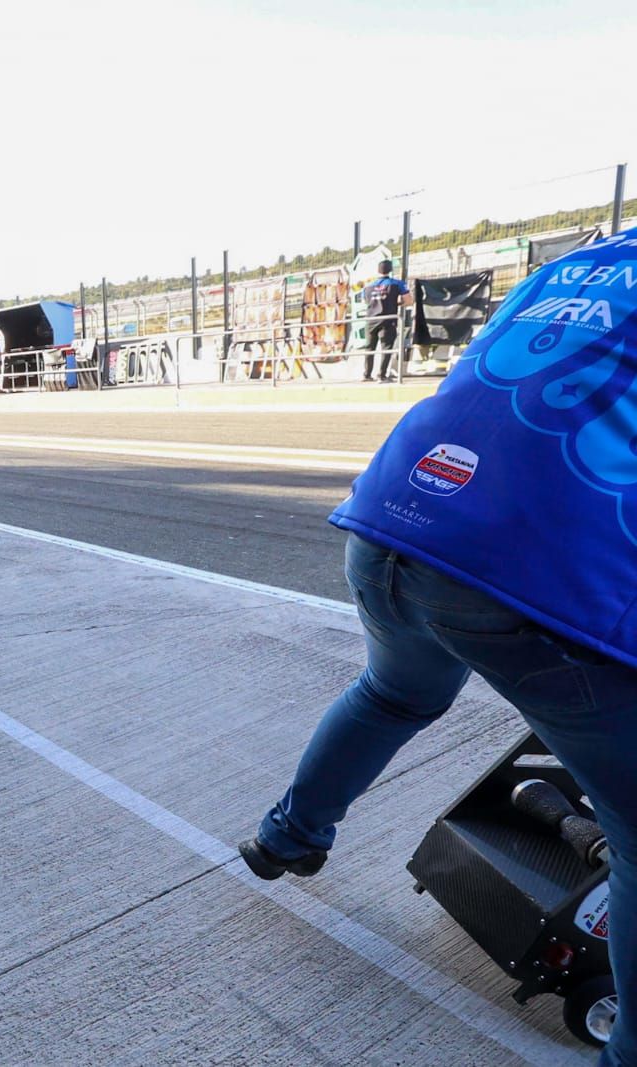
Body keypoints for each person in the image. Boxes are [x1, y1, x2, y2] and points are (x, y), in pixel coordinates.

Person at [238, 229, 637, 1067]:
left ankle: (289, 836)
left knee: (393, 694)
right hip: (520, 565)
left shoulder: (584, 261)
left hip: (397, 516)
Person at [362, 259, 411, 381]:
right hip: (387, 319)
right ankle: (382, 376)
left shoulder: (367, 286)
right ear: (390, 270)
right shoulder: (397, 284)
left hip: (371, 320)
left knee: (369, 348)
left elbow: (365, 302)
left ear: (378, 270)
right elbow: (409, 300)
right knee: (387, 348)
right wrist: (397, 303)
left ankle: (366, 375)